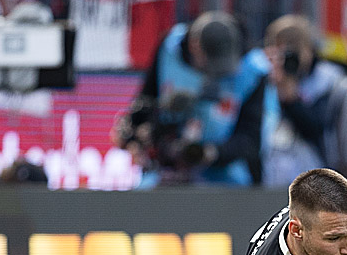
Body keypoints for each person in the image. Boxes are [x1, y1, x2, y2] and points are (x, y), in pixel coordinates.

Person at [114, 11, 272, 187]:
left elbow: (250, 140)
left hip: (226, 178)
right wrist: (134, 136)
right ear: (194, 46)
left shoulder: (252, 69)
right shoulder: (169, 47)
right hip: (165, 173)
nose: (215, 74)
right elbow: (146, 100)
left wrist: (209, 153)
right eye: (210, 63)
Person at [260, 14, 345, 186]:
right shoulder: (261, 73)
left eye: (294, 49)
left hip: (315, 171)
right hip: (268, 169)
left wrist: (291, 96)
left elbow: (317, 127)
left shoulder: (327, 78)